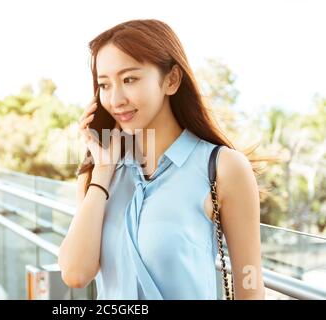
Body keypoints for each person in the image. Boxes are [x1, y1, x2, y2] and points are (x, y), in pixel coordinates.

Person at [58, 19, 266, 300]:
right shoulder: (97, 173)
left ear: (171, 80)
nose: (116, 99)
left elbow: (250, 282)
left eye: (129, 79)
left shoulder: (223, 167)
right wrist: (103, 173)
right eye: (104, 85)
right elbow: (75, 274)